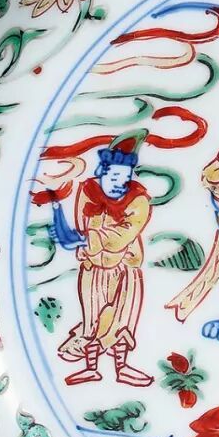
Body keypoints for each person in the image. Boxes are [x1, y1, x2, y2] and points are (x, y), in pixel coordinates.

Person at [50, 141, 154, 387]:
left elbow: (124, 234)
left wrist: (86, 239)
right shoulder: (88, 192)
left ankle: (122, 367)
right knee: (92, 319)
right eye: (115, 177)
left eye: (125, 179)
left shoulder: (138, 201)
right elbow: (82, 224)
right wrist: (73, 238)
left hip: (123, 270)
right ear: (101, 172)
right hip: (93, 269)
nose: (120, 183)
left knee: (121, 320)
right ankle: (91, 369)